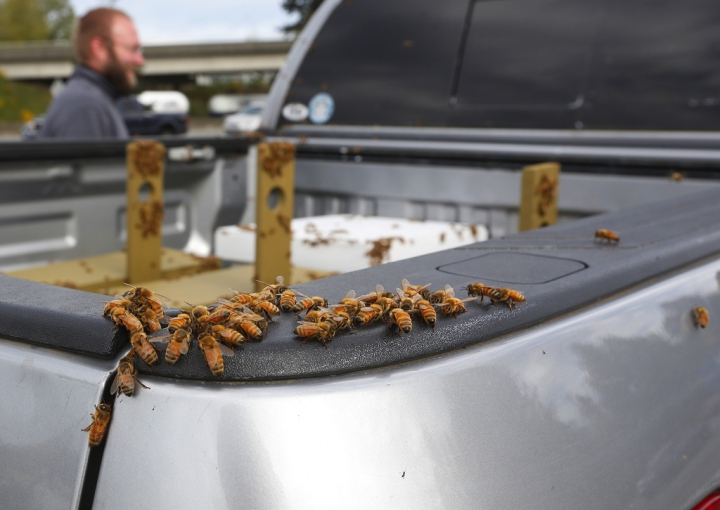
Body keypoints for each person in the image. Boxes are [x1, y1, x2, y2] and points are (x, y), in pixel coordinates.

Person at [39, 8, 144, 139]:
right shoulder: (85, 106)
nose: (140, 60)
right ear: (98, 48)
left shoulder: (92, 100)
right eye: (132, 49)